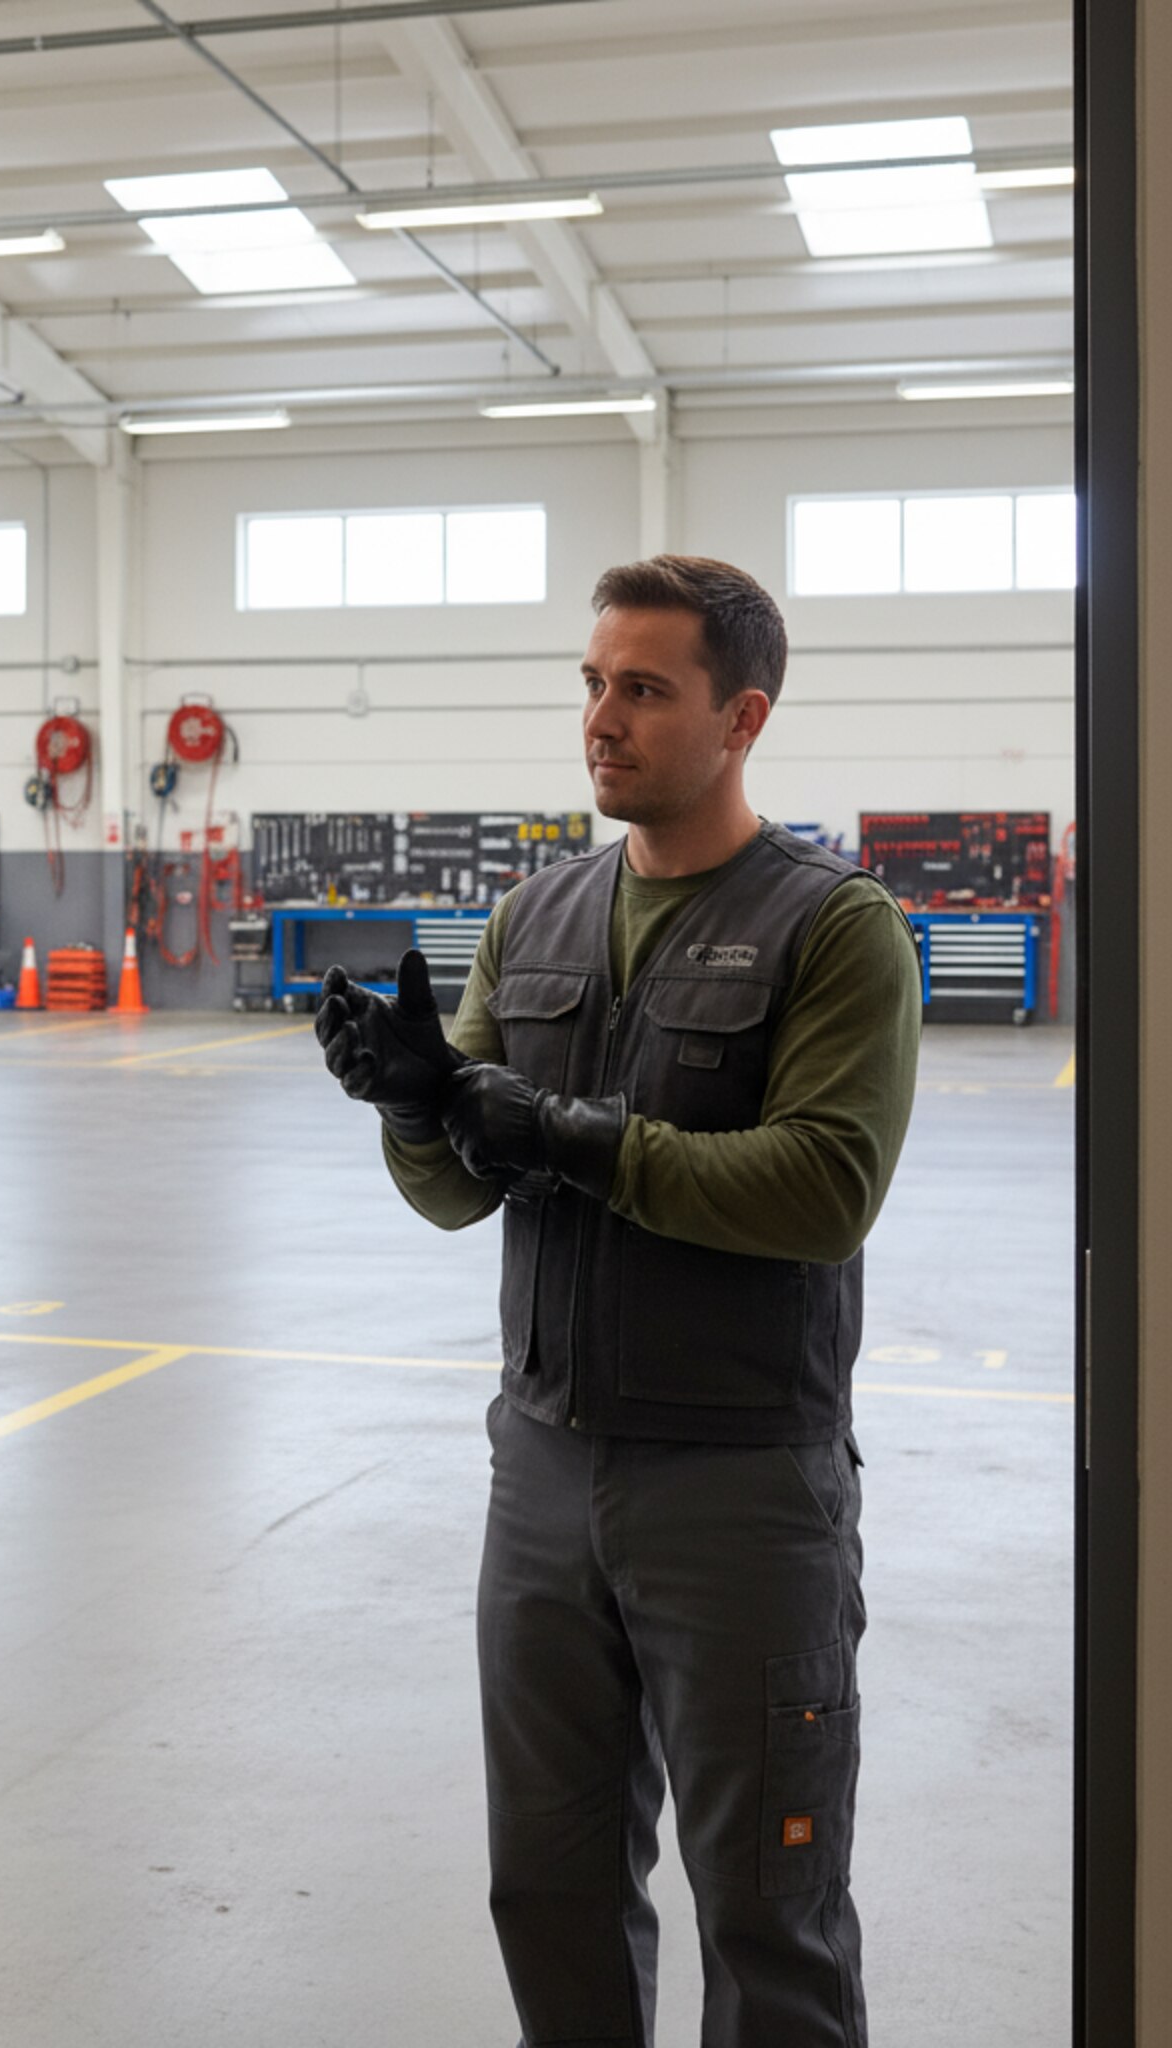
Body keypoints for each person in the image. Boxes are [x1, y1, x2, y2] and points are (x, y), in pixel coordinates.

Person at [315, 555, 921, 2048]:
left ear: (743, 716)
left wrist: (568, 1137)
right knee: (551, 1887)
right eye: (593, 684)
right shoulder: (534, 917)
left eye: (644, 689)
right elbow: (456, 1192)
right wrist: (413, 1107)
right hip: (542, 1474)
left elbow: (824, 1187)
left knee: (770, 1916)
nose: (602, 718)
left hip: (738, 1485)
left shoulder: (835, 928)